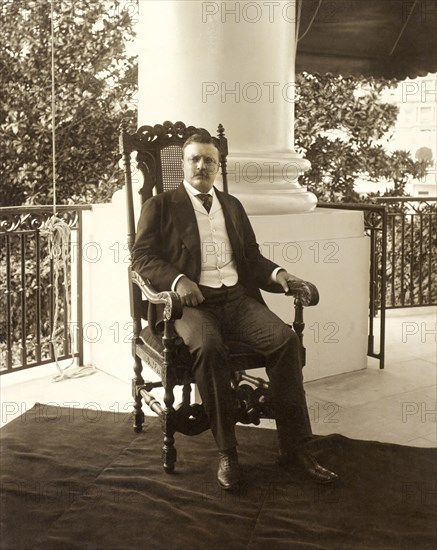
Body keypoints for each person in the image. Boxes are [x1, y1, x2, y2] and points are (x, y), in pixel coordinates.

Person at [132, 133, 338, 490]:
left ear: (217, 166)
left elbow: (252, 258)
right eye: (195, 159)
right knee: (209, 348)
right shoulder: (161, 205)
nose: (202, 166)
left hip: (237, 300)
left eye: (209, 161)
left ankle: (295, 448)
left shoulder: (232, 205)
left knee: (284, 341)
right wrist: (179, 281)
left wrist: (282, 276)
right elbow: (142, 259)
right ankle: (228, 451)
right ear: (182, 164)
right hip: (187, 307)